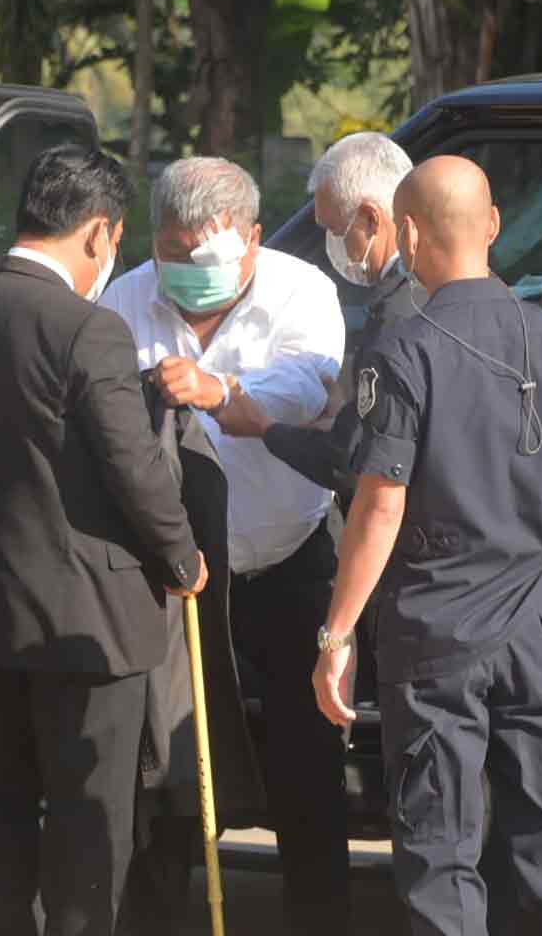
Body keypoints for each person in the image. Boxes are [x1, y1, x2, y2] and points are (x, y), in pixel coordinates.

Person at [312, 155, 542, 936]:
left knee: (440, 854)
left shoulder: (401, 352)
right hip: (540, 629)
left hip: (436, 635)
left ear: (407, 235)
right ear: (493, 226)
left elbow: (380, 507)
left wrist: (337, 634)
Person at [0, 145, 209, 936]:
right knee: (90, 820)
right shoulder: (89, 330)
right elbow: (136, 471)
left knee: (7, 803)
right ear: (100, 234)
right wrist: (183, 558)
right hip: (91, 623)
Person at [100, 157, 350, 936]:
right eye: (169, 251)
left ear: (249, 238)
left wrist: (226, 396)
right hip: (173, 580)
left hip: (287, 564)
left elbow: (312, 385)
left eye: (202, 256)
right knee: (166, 772)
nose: (183, 270)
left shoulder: (301, 291)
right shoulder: (125, 300)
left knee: (306, 767)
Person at [213, 131, 414, 509]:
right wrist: (349, 416)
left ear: (372, 219)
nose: (332, 247)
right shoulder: (468, 289)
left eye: (336, 232)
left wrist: (265, 428)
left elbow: (356, 464)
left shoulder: (398, 316)